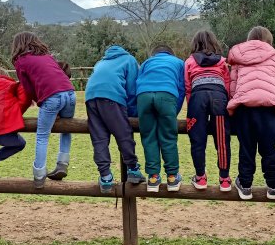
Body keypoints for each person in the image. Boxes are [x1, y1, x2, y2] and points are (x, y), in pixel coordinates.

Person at [226, 26, 275, 201]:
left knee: (246, 148)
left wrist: (233, 110)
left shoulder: (238, 59)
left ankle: (245, 185)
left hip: (244, 109)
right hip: (268, 109)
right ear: (269, 41)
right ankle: (273, 186)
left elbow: (233, 87)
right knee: (269, 149)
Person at [12, 32, 76, 189]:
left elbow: (27, 88)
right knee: (67, 128)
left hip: (51, 96)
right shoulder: (47, 56)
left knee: (42, 135)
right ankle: (62, 164)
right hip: (70, 93)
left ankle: (39, 174)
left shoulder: (21, 61)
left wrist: (39, 100)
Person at [84, 45, 145, 193]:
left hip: (90, 97)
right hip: (112, 97)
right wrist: (132, 113)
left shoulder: (100, 62)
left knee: (99, 138)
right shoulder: (129, 60)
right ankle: (133, 168)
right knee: (123, 133)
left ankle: (105, 176)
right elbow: (132, 89)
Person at [184, 30, 232, 191]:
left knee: (197, 139)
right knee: (222, 139)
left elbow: (187, 86)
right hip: (219, 97)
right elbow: (227, 83)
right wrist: (227, 102)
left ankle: (200, 177)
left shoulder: (190, 61)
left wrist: (192, 105)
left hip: (198, 97)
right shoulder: (222, 61)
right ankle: (224, 179)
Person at [136, 45, 185, 192]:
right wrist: (174, 111)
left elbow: (137, 81)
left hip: (143, 95)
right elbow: (182, 88)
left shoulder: (146, 62)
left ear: (154, 54)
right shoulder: (178, 62)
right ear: (171, 53)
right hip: (167, 94)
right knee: (168, 136)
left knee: (148, 137)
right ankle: (172, 177)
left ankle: (153, 177)